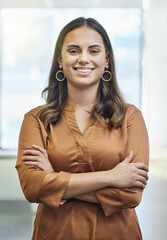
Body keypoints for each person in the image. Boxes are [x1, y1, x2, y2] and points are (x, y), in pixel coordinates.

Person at [16, 17, 149, 240]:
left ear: (106, 60)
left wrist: (55, 180)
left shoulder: (130, 117)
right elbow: (32, 187)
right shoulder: (36, 119)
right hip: (57, 233)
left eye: (94, 51)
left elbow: (131, 194)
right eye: (74, 50)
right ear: (60, 60)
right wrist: (112, 177)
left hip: (117, 234)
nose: (84, 58)